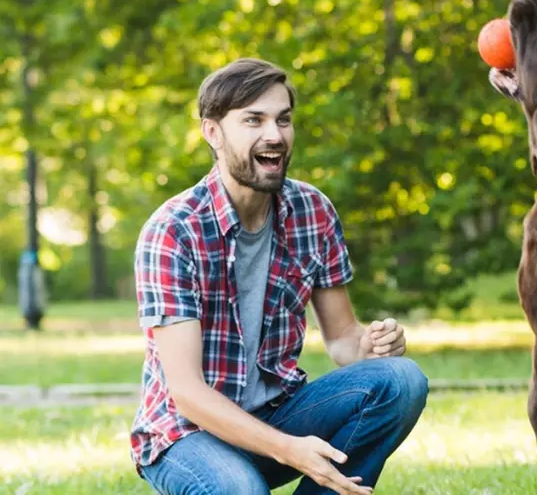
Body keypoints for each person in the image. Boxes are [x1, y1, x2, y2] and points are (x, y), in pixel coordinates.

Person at [129, 57, 429, 495]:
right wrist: (290, 449)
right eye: (254, 120)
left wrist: (367, 346)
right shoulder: (174, 231)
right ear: (212, 132)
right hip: (187, 434)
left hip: (278, 413)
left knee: (402, 380)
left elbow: (343, 337)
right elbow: (187, 393)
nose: (274, 135)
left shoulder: (313, 211)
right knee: (241, 489)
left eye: (283, 120)